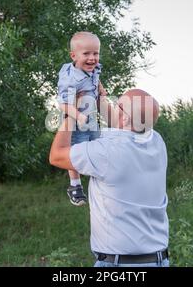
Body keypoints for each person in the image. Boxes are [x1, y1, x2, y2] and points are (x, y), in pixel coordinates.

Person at [49, 89, 170, 267]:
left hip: (119, 264)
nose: (113, 107)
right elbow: (122, 122)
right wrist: (96, 90)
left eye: (118, 105)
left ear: (126, 117)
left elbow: (56, 156)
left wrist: (72, 113)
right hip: (158, 260)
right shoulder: (156, 141)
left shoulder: (106, 152)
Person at [56, 31, 107, 206]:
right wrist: (77, 116)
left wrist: (100, 87)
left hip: (91, 118)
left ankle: (100, 182)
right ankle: (75, 186)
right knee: (75, 154)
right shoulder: (71, 79)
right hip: (76, 120)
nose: (92, 58)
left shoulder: (93, 68)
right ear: (74, 55)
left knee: (97, 146)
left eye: (96, 53)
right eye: (86, 54)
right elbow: (62, 104)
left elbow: (95, 76)